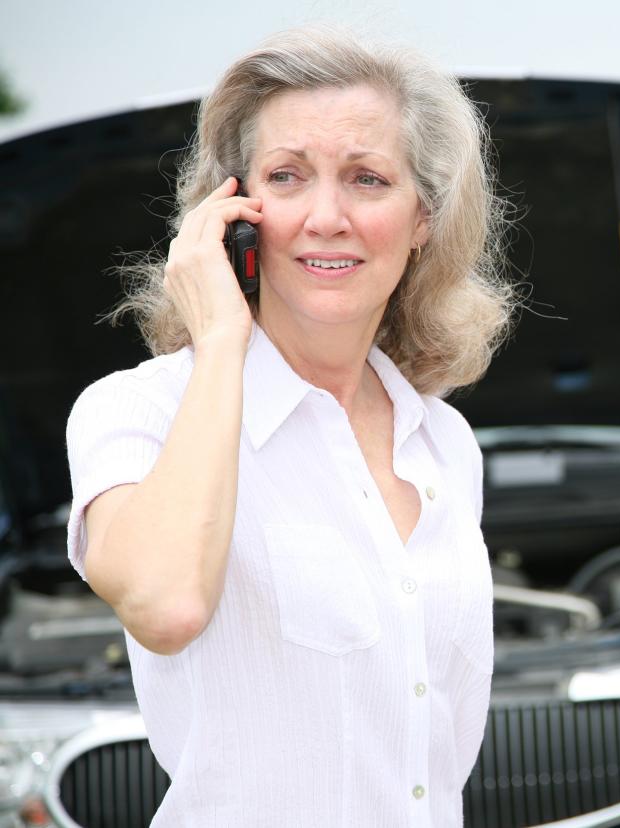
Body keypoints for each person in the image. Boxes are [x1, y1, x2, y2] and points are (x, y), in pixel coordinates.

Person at [64, 25, 513, 826]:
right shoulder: (137, 412)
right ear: (231, 212)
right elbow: (166, 607)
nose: (326, 216)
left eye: (368, 179)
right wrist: (223, 339)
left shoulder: (445, 444)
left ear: (422, 221)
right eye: (287, 177)